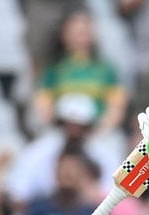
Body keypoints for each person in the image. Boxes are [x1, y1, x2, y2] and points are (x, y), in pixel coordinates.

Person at [34, 6, 127, 134]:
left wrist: (101, 130)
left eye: (85, 29)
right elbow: (44, 105)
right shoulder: (55, 69)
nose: (81, 33)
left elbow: (116, 106)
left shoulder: (105, 69)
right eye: (76, 30)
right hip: (61, 133)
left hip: (97, 132)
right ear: (64, 33)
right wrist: (58, 129)